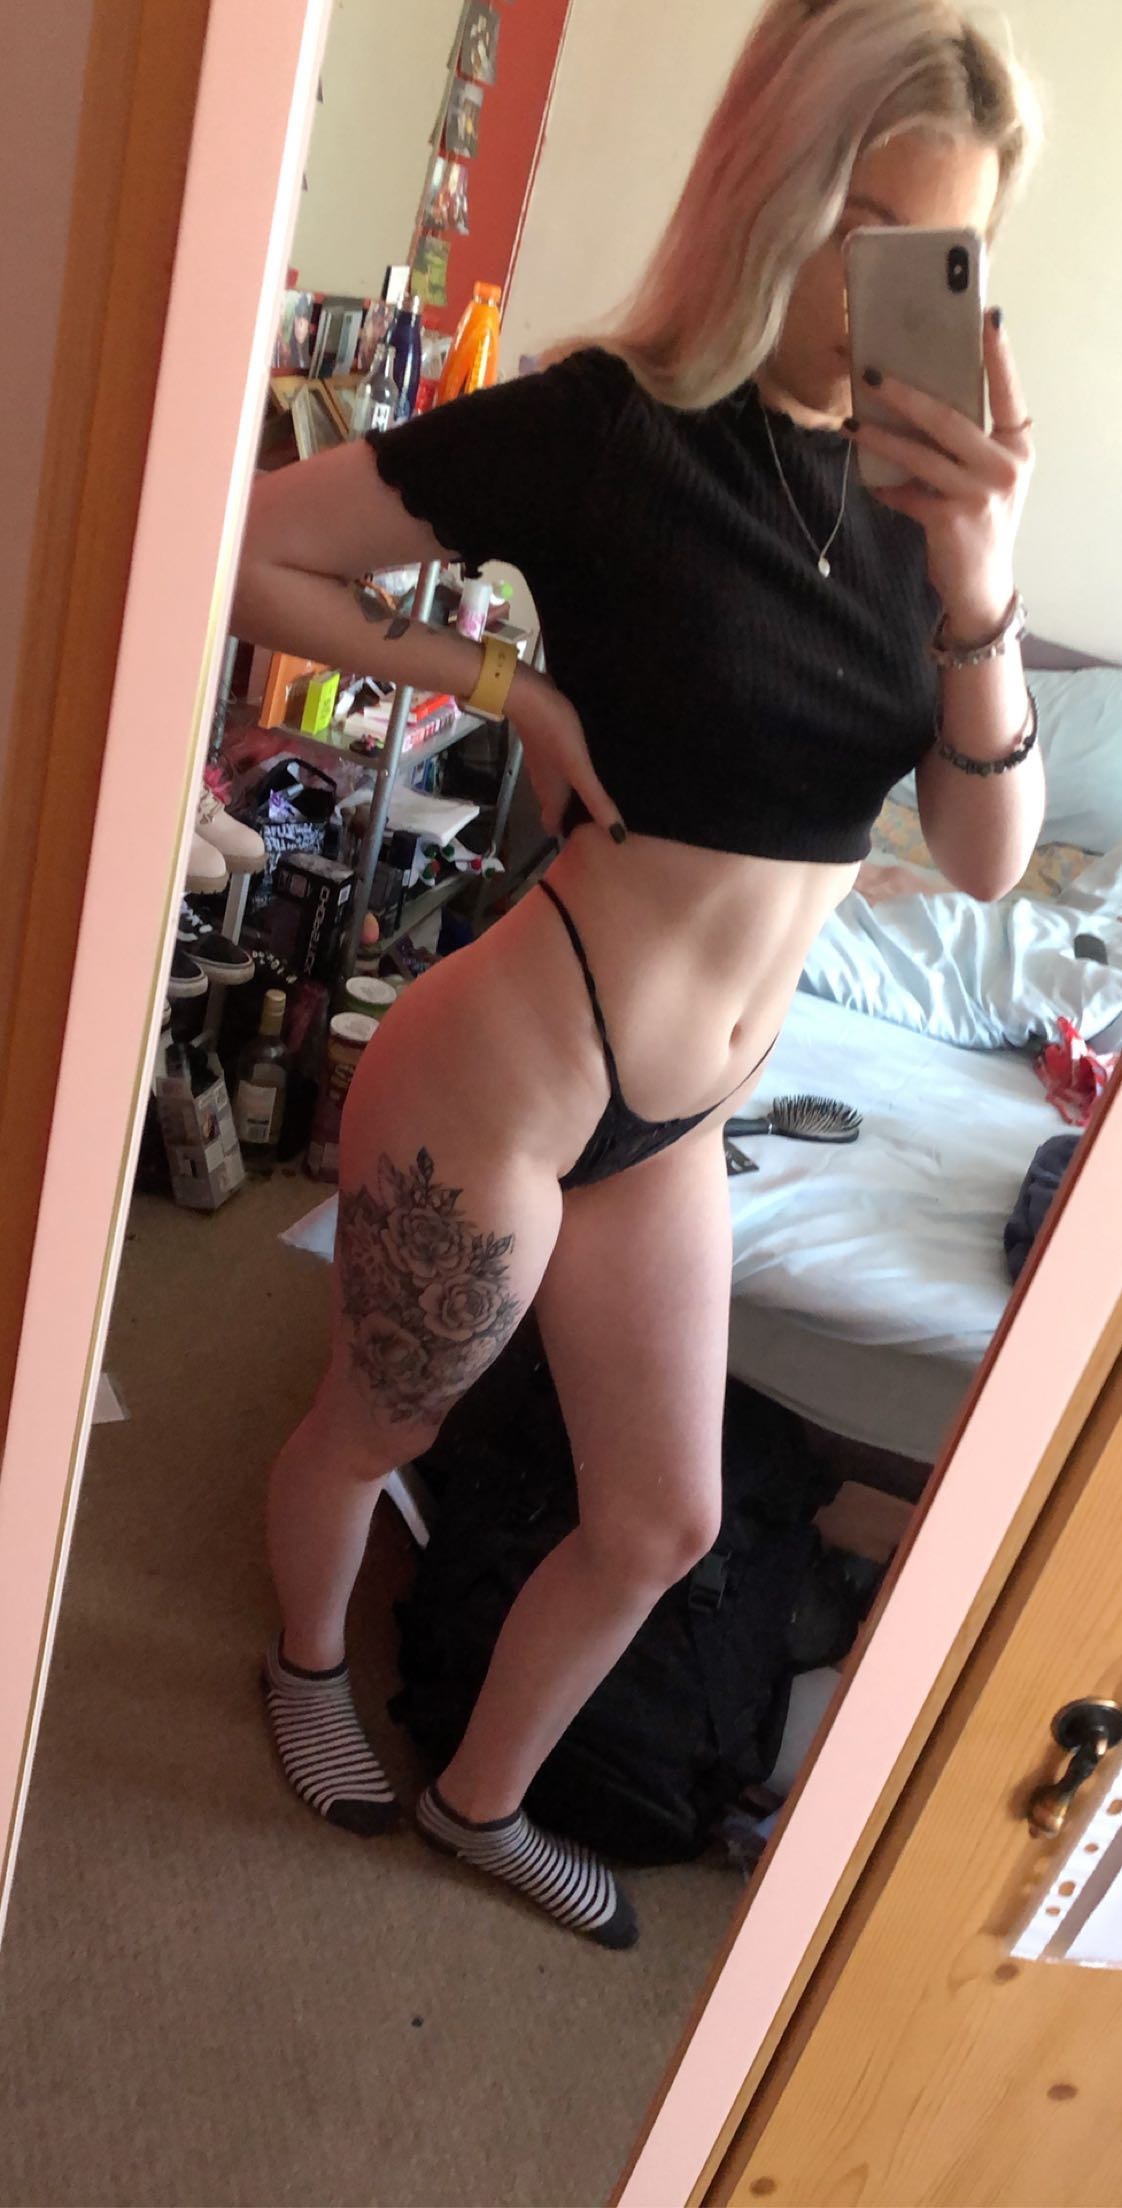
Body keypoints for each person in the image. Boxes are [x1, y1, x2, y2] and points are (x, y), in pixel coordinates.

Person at [233, 0, 1044, 1949]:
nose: (891, 291)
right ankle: (305, 1670)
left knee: (662, 1522)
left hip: (674, 1121)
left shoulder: (933, 516)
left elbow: (984, 856)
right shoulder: (612, 429)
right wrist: (502, 685)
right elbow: (251, 549)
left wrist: (984, 584)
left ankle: (483, 1804)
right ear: (778, 195)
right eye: (868, 228)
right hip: (508, 1076)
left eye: (943, 251)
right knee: (378, 1425)